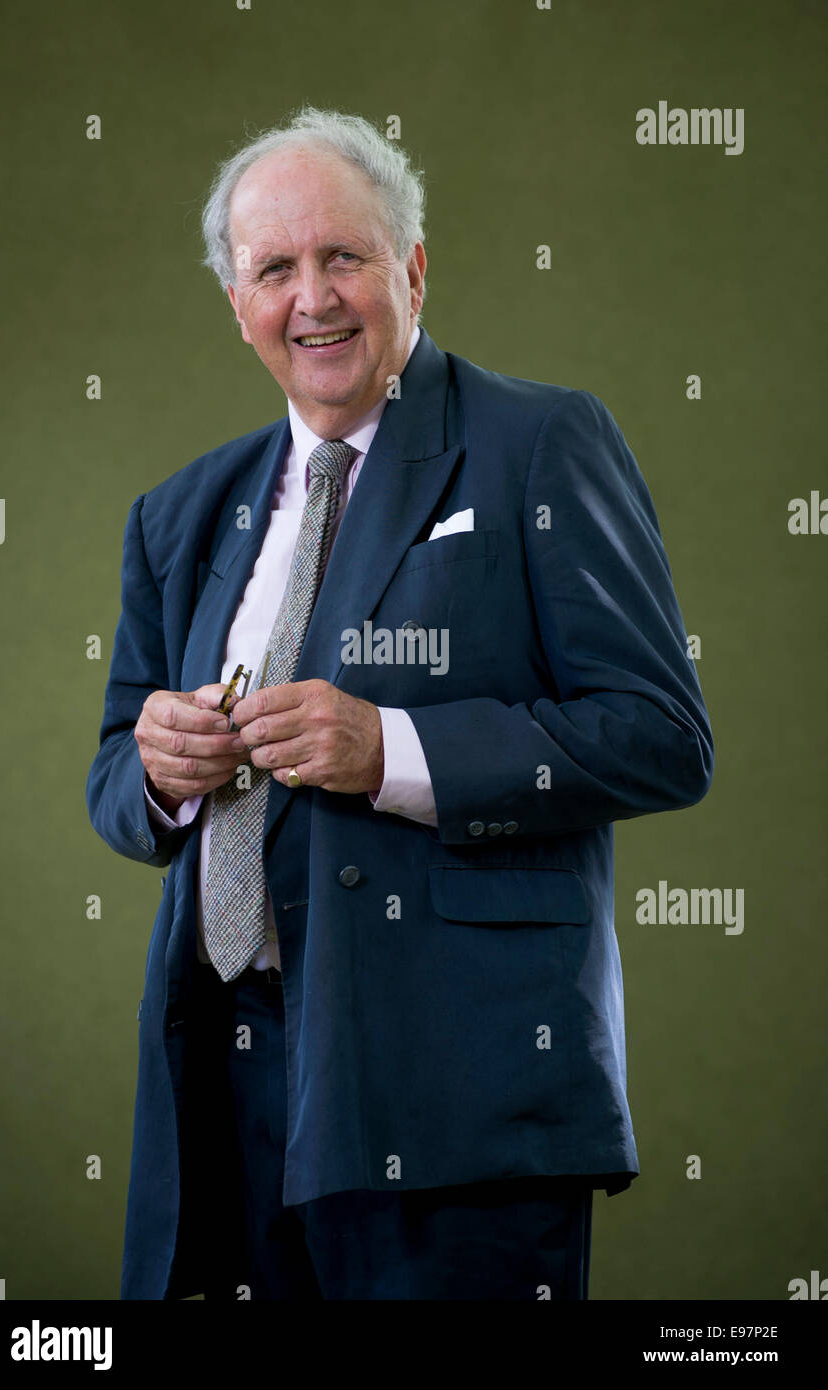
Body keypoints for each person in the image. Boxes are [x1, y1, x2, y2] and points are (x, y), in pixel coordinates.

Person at [86, 106, 714, 1301]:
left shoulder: (538, 444)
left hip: (453, 1090)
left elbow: (663, 738)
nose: (312, 297)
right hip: (223, 1090)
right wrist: (161, 770)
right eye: (275, 267)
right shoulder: (180, 513)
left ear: (413, 269)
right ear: (239, 304)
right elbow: (116, 779)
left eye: (345, 257)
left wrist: (392, 750)